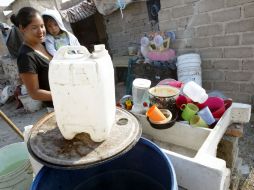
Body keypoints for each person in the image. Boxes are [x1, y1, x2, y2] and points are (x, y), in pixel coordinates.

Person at [14, 7, 53, 107]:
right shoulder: (26, 56)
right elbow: (34, 93)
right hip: (57, 108)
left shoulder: (45, 44)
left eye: (42, 26)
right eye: (34, 28)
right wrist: (62, 95)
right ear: (22, 28)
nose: (41, 31)